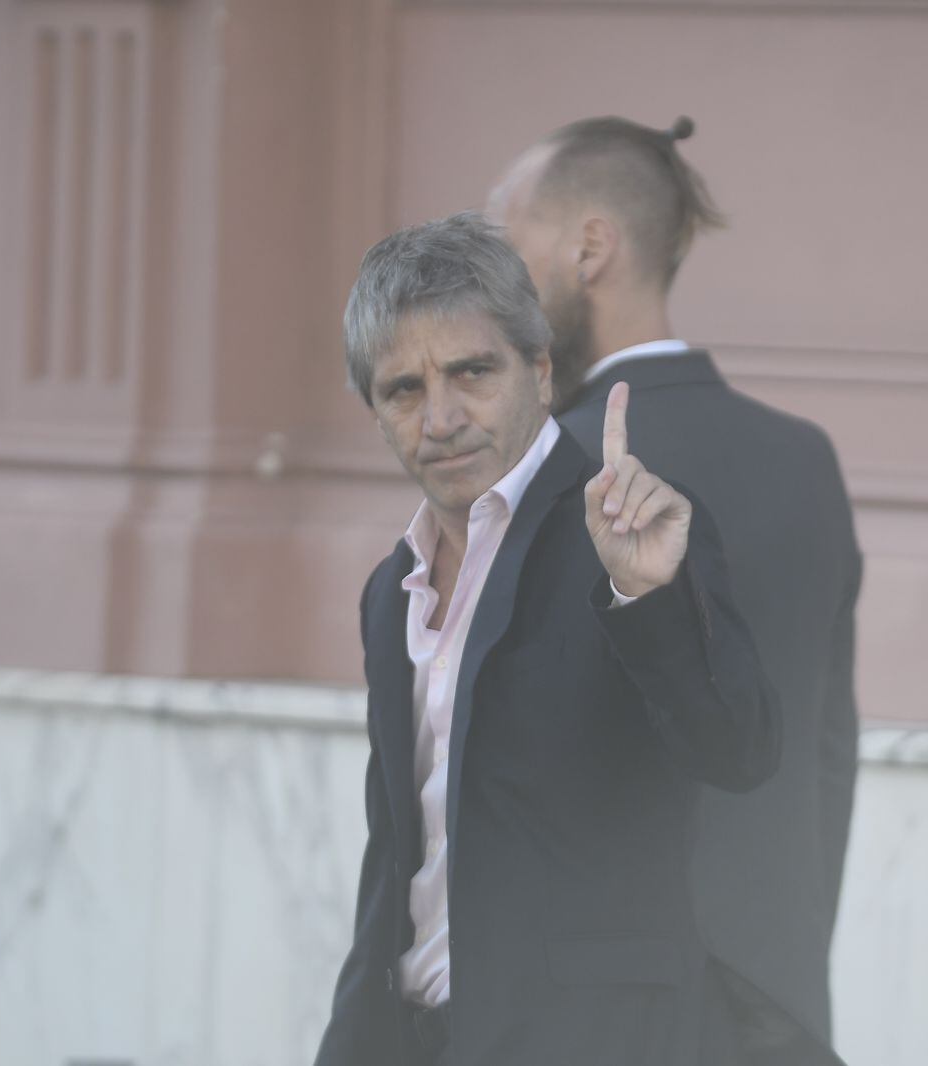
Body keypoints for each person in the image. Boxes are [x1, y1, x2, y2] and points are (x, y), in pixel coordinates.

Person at [314, 212, 782, 1066]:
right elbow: (396, 867)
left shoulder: (627, 534)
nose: (442, 417)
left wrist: (647, 595)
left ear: (539, 368)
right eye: (403, 390)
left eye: (473, 372)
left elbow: (739, 751)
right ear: (376, 411)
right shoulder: (393, 591)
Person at [489, 116, 862, 1059]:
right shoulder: (803, 460)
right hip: (779, 1009)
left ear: (588, 248)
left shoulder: (540, 471)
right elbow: (827, 753)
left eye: (504, 243)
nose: (488, 288)